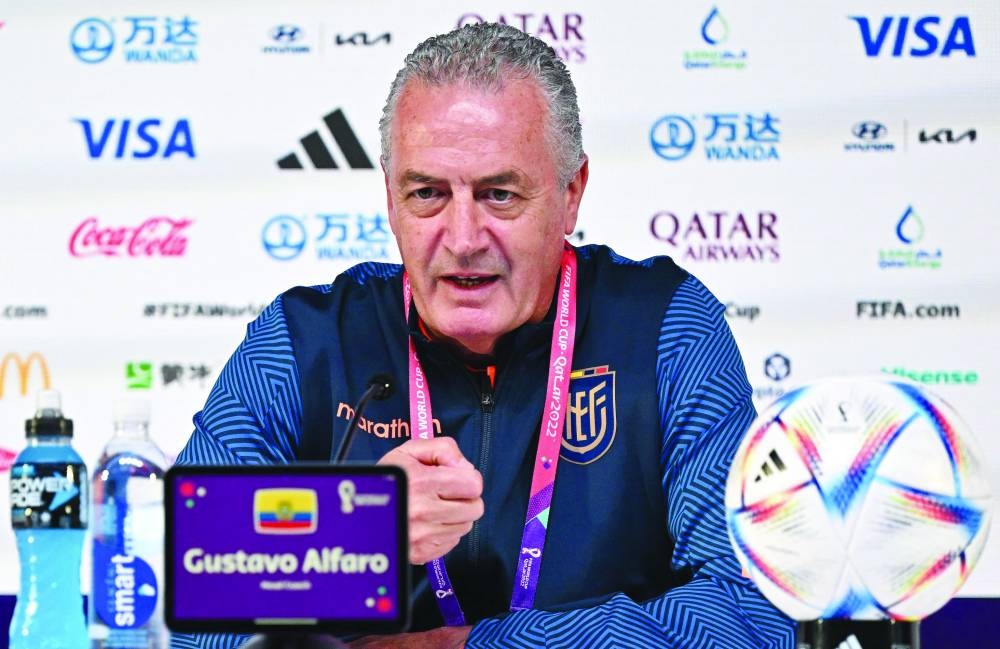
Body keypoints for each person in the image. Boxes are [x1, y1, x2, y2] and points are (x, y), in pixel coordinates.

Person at [171, 22, 793, 649]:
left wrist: (464, 646)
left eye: (499, 194)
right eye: (428, 194)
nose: (464, 238)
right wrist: (355, 534)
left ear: (570, 194)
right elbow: (182, 613)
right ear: (390, 197)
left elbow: (749, 613)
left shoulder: (665, 326)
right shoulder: (303, 342)